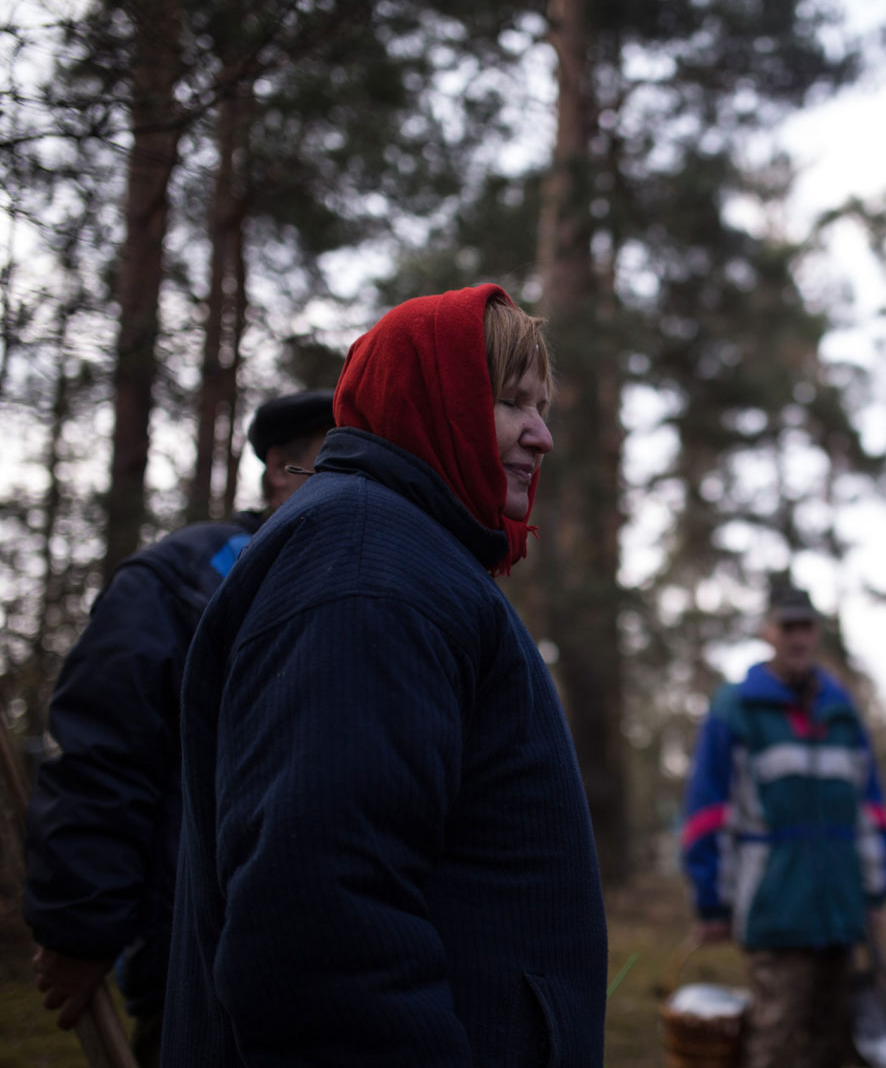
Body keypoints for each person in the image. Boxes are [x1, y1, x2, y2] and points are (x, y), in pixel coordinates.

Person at [161, 284, 606, 1066]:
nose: (542, 436)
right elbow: (320, 918)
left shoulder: (408, 556)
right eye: (511, 404)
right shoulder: (367, 567)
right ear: (430, 399)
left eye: (544, 409)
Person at [24, 388, 334, 1065]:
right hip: (200, 965)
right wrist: (80, 927)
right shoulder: (181, 583)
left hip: (355, 971)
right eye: (333, 458)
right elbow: (101, 753)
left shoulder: (372, 582)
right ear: (281, 467)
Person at [681, 583, 886, 1068]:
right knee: (776, 1043)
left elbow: (871, 809)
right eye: (788, 627)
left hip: (842, 908)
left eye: (806, 627)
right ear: (767, 632)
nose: (798, 638)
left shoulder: (843, 713)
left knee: (838, 1045)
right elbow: (705, 812)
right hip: (774, 907)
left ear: (817, 632)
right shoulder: (735, 708)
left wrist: (876, 890)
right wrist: (711, 902)